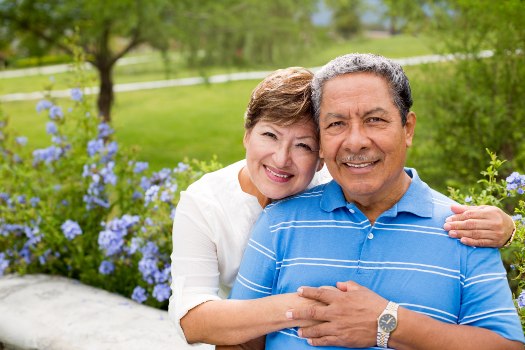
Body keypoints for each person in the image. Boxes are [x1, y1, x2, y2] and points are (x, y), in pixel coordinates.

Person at [169, 66, 516, 349]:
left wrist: (384, 322)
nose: (355, 142)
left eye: (375, 120)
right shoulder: (270, 219)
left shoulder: (466, 229)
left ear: (407, 128)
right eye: (336, 124)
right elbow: (221, 332)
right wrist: (317, 310)